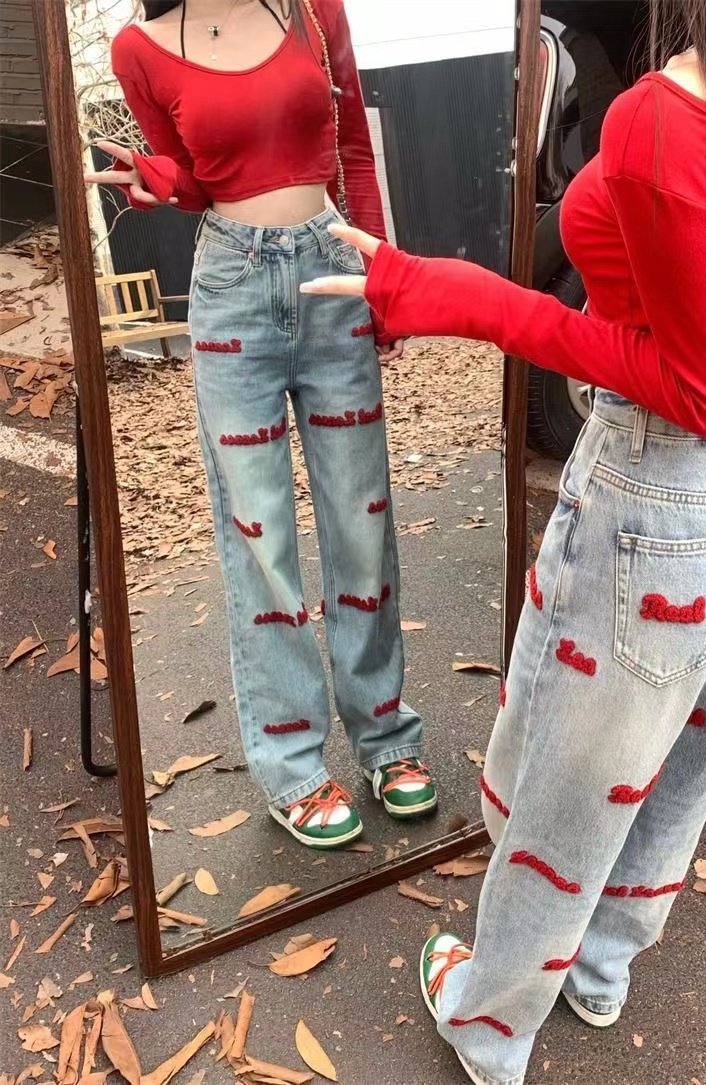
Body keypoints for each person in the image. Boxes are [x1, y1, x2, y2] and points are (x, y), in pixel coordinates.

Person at [300, 0, 706, 1079]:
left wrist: (461, 296)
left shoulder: (661, 117)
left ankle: (489, 1026)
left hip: (657, 502)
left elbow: (696, 389)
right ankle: (602, 967)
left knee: (566, 788)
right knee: (683, 759)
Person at [85, 0, 437, 849]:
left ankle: (385, 735)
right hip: (232, 292)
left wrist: (382, 277)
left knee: (361, 518)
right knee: (259, 535)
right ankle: (292, 765)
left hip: (333, 272)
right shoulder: (138, 48)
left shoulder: (313, 8)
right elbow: (196, 182)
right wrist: (161, 182)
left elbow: (354, 148)